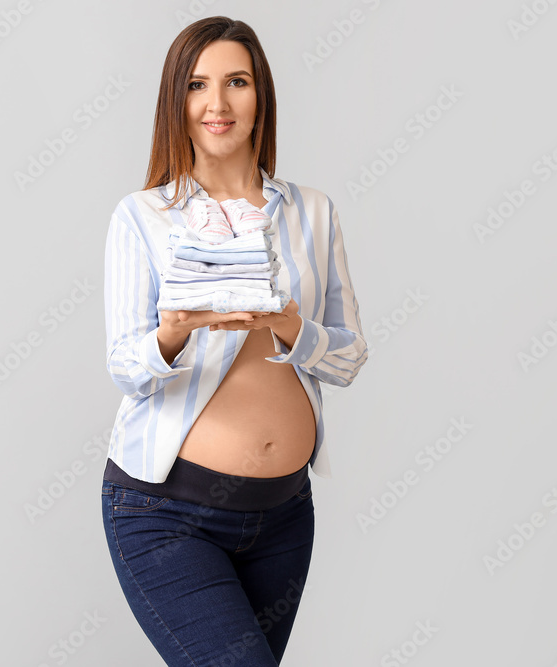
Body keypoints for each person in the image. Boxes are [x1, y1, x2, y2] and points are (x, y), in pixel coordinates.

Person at [100, 16, 370, 666]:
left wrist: (288, 326)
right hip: (166, 511)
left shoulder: (313, 211)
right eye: (198, 85)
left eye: (237, 82)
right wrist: (171, 334)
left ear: (261, 96)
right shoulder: (144, 217)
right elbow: (125, 367)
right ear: (178, 102)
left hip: (283, 517)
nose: (217, 103)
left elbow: (349, 354)